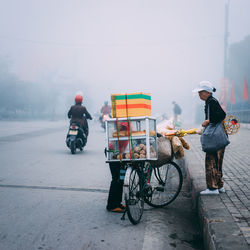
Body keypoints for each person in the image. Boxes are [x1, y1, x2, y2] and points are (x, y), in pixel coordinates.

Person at [193, 81, 226, 195]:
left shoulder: (211, 102)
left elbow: (222, 115)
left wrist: (208, 121)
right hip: (219, 137)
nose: (199, 95)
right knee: (218, 162)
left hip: (215, 138)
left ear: (207, 92)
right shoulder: (211, 101)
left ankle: (212, 188)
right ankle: (220, 185)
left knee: (211, 160)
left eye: (200, 92)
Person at [106, 121, 130, 213]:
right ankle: (111, 205)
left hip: (121, 154)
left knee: (120, 179)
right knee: (116, 178)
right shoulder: (123, 121)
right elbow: (119, 127)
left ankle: (118, 203)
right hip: (114, 153)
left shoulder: (127, 121)